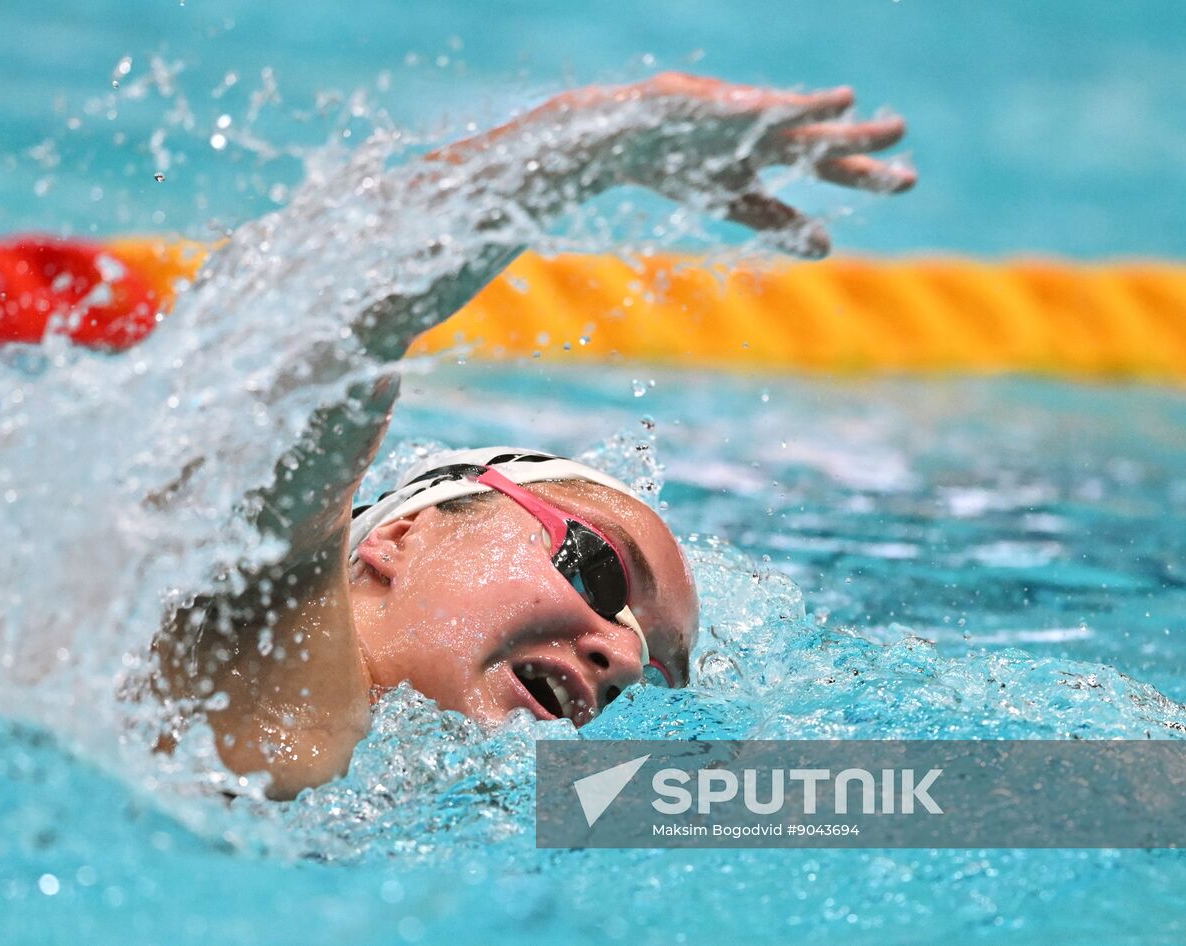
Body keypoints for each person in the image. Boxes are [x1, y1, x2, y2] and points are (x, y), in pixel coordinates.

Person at [150, 72, 915, 798]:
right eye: (598, 570)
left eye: (647, 680)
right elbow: (323, 336)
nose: (621, 658)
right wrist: (593, 145)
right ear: (400, 538)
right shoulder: (275, 677)